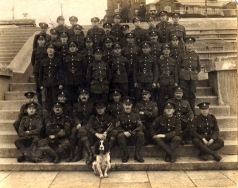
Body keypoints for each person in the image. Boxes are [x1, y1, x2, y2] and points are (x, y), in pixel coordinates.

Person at [67, 89, 94, 162]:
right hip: (80, 124)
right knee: (73, 130)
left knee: (81, 131)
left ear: (88, 96)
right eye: (82, 95)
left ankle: (79, 154)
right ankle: (72, 154)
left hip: (88, 125)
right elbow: (74, 116)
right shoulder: (76, 105)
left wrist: (88, 124)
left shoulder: (92, 105)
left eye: (85, 95)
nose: (84, 96)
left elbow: (93, 116)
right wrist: (78, 123)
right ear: (79, 96)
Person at [116, 97, 145, 163]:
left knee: (141, 134)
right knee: (120, 136)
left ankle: (137, 154)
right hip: (125, 134)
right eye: (126, 104)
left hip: (134, 134)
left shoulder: (136, 115)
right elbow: (118, 127)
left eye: (129, 105)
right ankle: (126, 154)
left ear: (131, 105)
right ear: (123, 105)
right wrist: (124, 131)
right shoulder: (119, 115)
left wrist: (134, 131)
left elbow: (140, 126)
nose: (127, 106)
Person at [177, 37, 201, 113]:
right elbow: (178, 67)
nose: (189, 45)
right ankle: (185, 111)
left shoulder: (196, 55)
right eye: (188, 43)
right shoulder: (181, 55)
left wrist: (194, 73)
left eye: (191, 43)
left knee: (192, 94)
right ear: (185, 44)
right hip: (183, 76)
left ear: (193, 45)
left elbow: (199, 67)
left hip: (193, 77)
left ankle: (192, 111)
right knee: (185, 94)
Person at [39, 43, 64, 111]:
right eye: (49, 49)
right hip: (46, 83)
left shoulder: (58, 61)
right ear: (46, 50)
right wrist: (40, 84)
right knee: (47, 99)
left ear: (54, 51)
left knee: (55, 98)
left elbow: (61, 73)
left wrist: (60, 83)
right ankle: (49, 113)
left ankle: (55, 112)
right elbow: (41, 74)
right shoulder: (43, 61)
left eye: (52, 49)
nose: (50, 50)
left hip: (55, 82)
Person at [156, 43, 178, 115]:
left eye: (167, 49)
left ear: (170, 51)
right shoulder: (159, 61)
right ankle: (161, 113)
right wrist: (157, 81)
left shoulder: (173, 61)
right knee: (161, 98)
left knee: (171, 97)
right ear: (162, 51)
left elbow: (175, 72)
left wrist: (176, 81)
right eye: (164, 49)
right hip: (162, 81)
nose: (166, 51)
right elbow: (157, 72)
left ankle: (171, 113)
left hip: (171, 81)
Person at [121, 32, 141, 97]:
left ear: (134, 39)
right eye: (129, 38)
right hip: (127, 70)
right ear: (126, 39)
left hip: (136, 70)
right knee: (128, 86)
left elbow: (140, 59)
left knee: (136, 86)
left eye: (131, 38)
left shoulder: (137, 49)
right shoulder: (124, 49)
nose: (130, 39)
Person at [31, 34, 48, 105]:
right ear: (37, 41)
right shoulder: (35, 50)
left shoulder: (47, 49)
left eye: (42, 40)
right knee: (38, 87)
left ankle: (47, 102)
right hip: (37, 70)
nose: (41, 42)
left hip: (45, 70)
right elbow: (32, 61)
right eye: (39, 40)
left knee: (46, 86)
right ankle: (40, 103)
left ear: (44, 41)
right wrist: (37, 67)